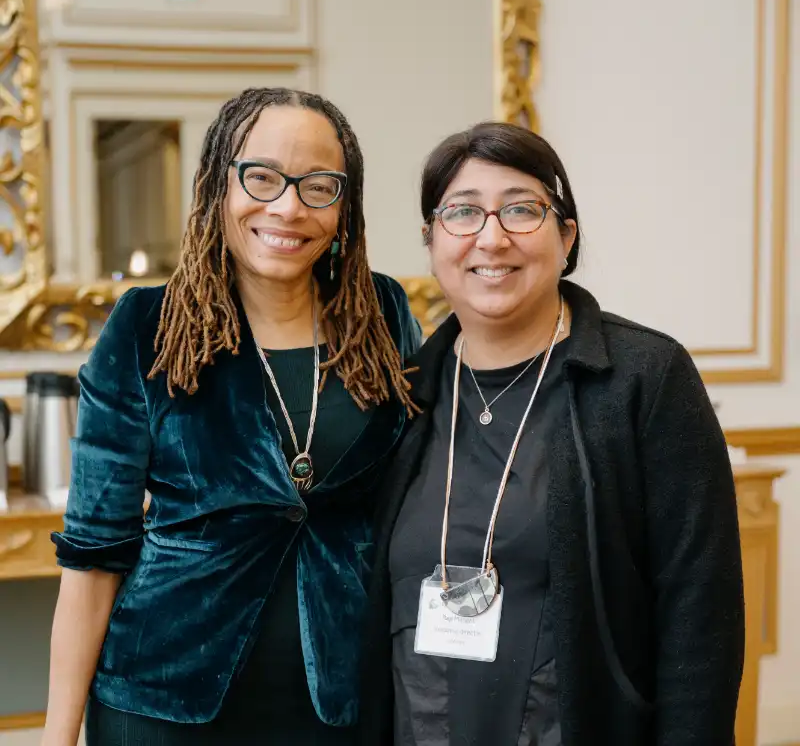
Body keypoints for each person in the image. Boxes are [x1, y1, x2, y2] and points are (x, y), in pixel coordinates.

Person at [42, 87, 421, 746]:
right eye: (262, 177)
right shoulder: (147, 327)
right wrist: (57, 736)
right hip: (162, 705)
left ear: (345, 205)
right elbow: (93, 558)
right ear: (219, 184)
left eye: (318, 186)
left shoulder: (382, 317)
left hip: (342, 702)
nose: (288, 207)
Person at [359, 122, 745, 746]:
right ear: (431, 241)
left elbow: (700, 612)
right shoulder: (400, 393)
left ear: (566, 238)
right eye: (462, 212)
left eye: (521, 210)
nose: (491, 237)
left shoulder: (645, 378)